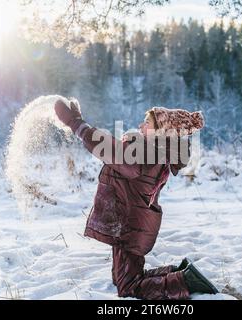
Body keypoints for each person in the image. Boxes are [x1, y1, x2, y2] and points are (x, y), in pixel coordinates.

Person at [54, 98, 218, 300]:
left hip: (129, 226)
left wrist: (76, 124)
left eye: (147, 123)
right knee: (121, 279)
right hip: (131, 222)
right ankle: (179, 273)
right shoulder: (155, 151)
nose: (141, 126)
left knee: (129, 288)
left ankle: (185, 281)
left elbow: (107, 148)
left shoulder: (147, 154)